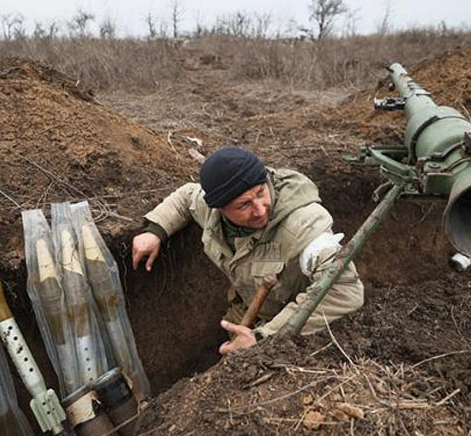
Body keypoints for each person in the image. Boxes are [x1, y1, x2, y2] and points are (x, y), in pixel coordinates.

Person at [131, 147, 364, 354]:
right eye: (244, 205)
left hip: (301, 328)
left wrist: (263, 337)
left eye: (261, 193)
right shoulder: (211, 210)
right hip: (247, 312)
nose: (260, 210)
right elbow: (186, 197)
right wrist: (156, 230)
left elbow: (343, 291)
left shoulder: (304, 223)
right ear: (220, 209)